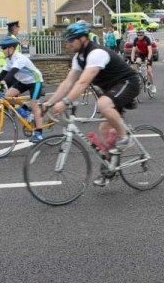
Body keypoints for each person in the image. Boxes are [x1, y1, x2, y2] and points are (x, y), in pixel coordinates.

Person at [47, 22, 140, 187]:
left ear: (83, 38)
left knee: (103, 104)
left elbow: (83, 82)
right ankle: (111, 169)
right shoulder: (79, 58)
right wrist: (50, 102)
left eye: (72, 40)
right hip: (111, 89)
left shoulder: (96, 53)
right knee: (104, 129)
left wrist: (66, 102)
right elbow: (68, 83)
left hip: (128, 83)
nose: (69, 43)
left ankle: (126, 138)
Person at [0, 35, 46, 142]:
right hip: (24, 81)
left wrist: (2, 83)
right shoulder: (9, 60)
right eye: (2, 48)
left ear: (11, 48)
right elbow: (3, 74)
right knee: (7, 97)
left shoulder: (19, 58)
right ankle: (27, 111)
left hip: (35, 81)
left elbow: (11, 73)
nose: (3, 50)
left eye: (4, 48)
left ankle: (39, 133)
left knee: (34, 104)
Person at [130, 27, 157, 94]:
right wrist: (132, 60)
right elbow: (133, 51)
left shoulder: (147, 39)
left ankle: (153, 85)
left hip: (148, 54)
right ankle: (138, 76)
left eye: (141, 35)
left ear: (143, 34)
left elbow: (150, 51)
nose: (139, 36)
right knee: (136, 63)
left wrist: (148, 59)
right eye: (138, 35)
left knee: (149, 71)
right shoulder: (136, 40)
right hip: (141, 53)